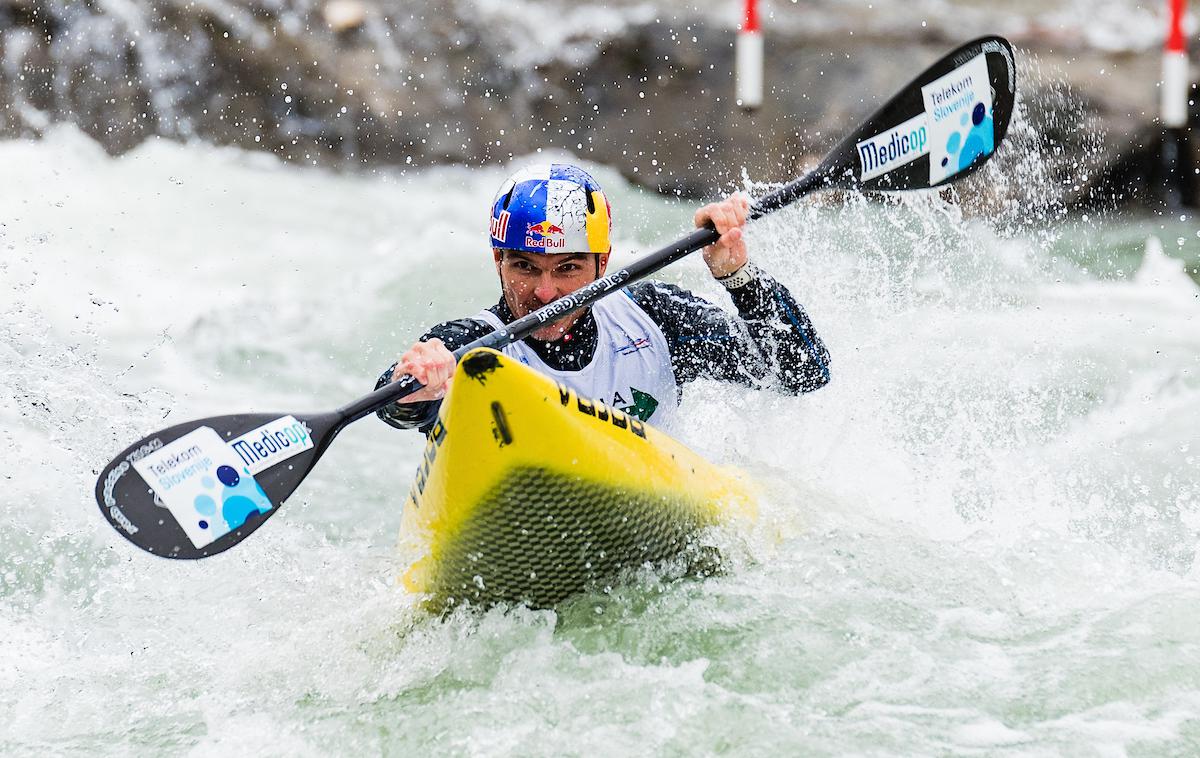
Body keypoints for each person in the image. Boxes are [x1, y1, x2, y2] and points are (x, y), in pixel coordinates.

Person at [376, 163, 830, 434]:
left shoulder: (653, 319)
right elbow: (393, 406)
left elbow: (805, 371)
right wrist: (417, 387)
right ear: (498, 260)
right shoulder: (475, 349)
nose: (545, 292)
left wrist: (739, 276)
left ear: (603, 262)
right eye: (525, 267)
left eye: (568, 268)